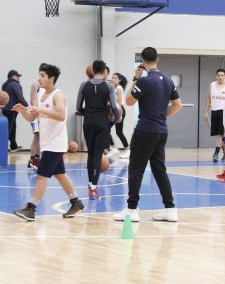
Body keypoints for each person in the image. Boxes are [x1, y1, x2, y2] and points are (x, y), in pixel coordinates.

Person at [113, 47, 182, 223]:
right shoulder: (168, 80)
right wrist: (162, 115)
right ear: (157, 59)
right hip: (161, 130)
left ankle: (131, 209)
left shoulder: (144, 81)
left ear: (142, 61)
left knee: (136, 168)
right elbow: (177, 105)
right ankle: (170, 209)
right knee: (159, 169)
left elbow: (128, 101)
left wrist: (136, 78)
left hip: (145, 130)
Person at [12, 63, 85, 221]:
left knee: (41, 176)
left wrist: (40, 110)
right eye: (40, 75)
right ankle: (76, 202)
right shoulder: (41, 95)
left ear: (52, 78)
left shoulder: (58, 95)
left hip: (56, 143)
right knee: (60, 174)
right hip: (47, 142)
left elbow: (60, 115)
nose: (40, 78)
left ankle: (31, 208)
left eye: (43, 76)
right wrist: (22, 111)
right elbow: (32, 118)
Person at [76, 60, 121, 200]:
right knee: (97, 154)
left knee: (91, 154)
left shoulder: (84, 85)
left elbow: (78, 107)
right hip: (102, 123)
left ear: (93, 70)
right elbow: (114, 106)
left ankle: (91, 185)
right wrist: (117, 118)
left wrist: (87, 113)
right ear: (104, 71)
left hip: (88, 122)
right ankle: (94, 189)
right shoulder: (109, 86)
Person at [203, 68, 225, 162]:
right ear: (216, 76)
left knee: (221, 135)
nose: (220, 77)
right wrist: (206, 112)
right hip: (214, 111)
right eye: (218, 75)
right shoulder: (211, 85)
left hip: (223, 112)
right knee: (220, 135)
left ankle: (216, 153)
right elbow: (209, 99)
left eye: (222, 75)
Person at [2, 70, 28, 152]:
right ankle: (2, 148)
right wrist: (28, 107)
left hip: (5, 109)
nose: (19, 77)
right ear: (13, 76)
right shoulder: (16, 85)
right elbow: (20, 98)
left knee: (10, 127)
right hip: (12, 109)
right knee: (10, 129)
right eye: (17, 76)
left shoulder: (5, 84)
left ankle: (13, 146)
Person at [110, 72, 129, 150]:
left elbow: (119, 102)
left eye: (115, 78)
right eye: (112, 78)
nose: (113, 79)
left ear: (119, 80)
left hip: (119, 110)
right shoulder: (113, 88)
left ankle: (125, 147)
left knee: (118, 131)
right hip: (113, 109)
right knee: (108, 129)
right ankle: (112, 146)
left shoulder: (119, 88)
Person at [27, 77, 43, 169]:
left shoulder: (46, 85)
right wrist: (36, 114)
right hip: (35, 115)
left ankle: (37, 160)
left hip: (42, 115)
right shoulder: (36, 84)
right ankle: (32, 160)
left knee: (41, 137)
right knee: (37, 136)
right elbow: (32, 100)